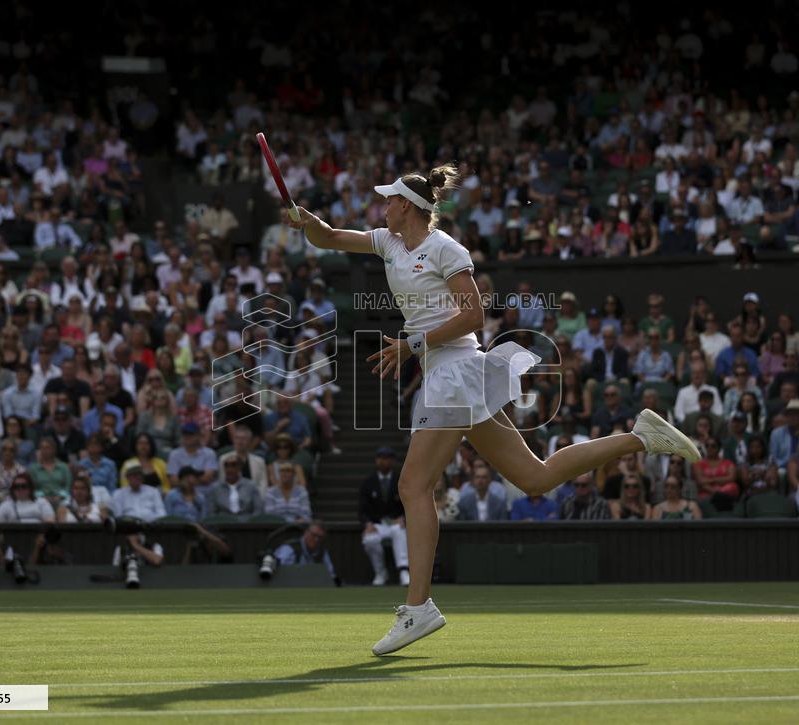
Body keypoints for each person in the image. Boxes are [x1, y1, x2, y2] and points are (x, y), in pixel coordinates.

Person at [289, 163, 700, 655]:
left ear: (408, 206)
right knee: (535, 477)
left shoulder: (446, 248)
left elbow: (473, 315)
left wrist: (411, 343)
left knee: (412, 486)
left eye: (389, 199)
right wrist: (306, 221)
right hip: (448, 374)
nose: (382, 205)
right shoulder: (388, 241)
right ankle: (642, 437)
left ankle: (418, 607)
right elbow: (331, 238)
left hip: (454, 370)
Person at [358, 446, 410, 585]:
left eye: (387, 458)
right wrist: (367, 524)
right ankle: (380, 572)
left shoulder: (402, 481)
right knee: (369, 539)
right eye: (381, 458)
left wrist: (403, 518)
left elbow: (409, 504)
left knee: (399, 532)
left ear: (393, 461)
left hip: (396, 523)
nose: (383, 462)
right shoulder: (368, 483)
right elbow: (362, 509)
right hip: (377, 524)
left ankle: (404, 570)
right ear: (376, 461)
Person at [273, 520, 337, 582]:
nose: (316, 539)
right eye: (314, 535)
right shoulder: (290, 548)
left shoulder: (322, 552)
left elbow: (331, 575)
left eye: (320, 537)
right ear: (306, 532)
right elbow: (280, 572)